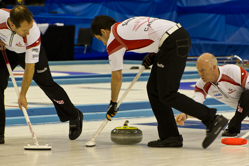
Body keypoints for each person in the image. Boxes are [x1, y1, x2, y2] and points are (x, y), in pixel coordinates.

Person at [90, 15, 228, 149]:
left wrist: (113, 103)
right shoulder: (126, 24)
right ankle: (170, 136)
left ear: (103, 32)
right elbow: (155, 32)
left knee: (168, 93)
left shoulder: (114, 40)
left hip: (172, 43)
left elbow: (117, 75)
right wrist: (153, 54)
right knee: (154, 89)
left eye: (100, 38)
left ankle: (212, 119)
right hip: (175, 37)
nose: (103, 42)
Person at [0, 5, 83, 144]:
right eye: (24, 30)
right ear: (13, 24)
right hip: (6, 50)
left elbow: (30, 67)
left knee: (47, 84)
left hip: (26, 51)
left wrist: (23, 95)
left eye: (29, 28)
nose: (28, 32)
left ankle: (74, 115)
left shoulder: (32, 33)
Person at [175, 53, 249, 137]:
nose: (200, 74)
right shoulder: (201, 85)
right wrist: (185, 114)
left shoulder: (233, 71)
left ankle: (233, 128)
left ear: (214, 67)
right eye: (198, 70)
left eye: (203, 70)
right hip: (246, 110)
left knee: (247, 94)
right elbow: (195, 103)